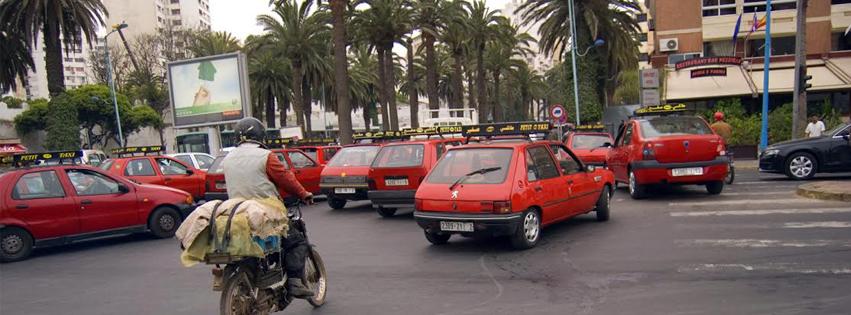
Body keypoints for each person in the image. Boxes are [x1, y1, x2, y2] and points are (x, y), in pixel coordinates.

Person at [223, 117, 315, 299]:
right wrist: (304, 194)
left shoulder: (227, 159)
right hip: (264, 212)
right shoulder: (265, 156)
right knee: (296, 241)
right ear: (259, 136)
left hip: (237, 212)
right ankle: (295, 282)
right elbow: (285, 178)